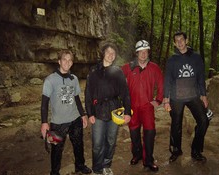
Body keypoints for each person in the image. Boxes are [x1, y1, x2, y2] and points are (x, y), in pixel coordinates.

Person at [40, 49, 92, 175]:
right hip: (57, 122)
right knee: (56, 150)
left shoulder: (73, 79)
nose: (67, 62)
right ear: (59, 61)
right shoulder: (50, 80)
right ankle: (54, 172)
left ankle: (80, 166)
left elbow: (77, 98)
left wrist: (83, 114)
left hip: (75, 119)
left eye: (70, 60)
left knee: (78, 145)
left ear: (72, 63)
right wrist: (44, 123)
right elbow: (44, 103)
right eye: (64, 59)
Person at [85, 42, 132, 175]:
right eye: (108, 52)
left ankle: (106, 165)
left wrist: (127, 112)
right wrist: (89, 113)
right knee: (97, 143)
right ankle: (97, 168)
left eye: (113, 53)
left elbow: (125, 93)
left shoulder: (118, 72)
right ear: (103, 54)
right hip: (98, 111)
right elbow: (88, 94)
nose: (111, 55)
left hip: (114, 111)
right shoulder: (93, 72)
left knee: (111, 140)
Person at [163, 31, 209, 163]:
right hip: (176, 97)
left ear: (186, 41)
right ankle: (176, 150)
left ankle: (196, 150)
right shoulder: (172, 60)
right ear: (174, 43)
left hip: (193, 95)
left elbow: (201, 77)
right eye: (176, 40)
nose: (179, 42)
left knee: (203, 121)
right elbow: (168, 80)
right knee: (176, 124)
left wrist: (203, 95)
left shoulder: (196, 57)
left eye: (181, 40)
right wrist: (166, 99)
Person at [122, 40, 163, 172]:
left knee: (150, 133)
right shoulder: (128, 67)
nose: (143, 54)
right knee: (134, 133)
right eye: (141, 51)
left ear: (148, 52)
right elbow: (115, 81)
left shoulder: (154, 67)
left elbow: (162, 84)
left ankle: (148, 160)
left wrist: (158, 100)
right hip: (132, 107)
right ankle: (137, 155)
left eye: (146, 51)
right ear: (137, 53)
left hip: (147, 106)